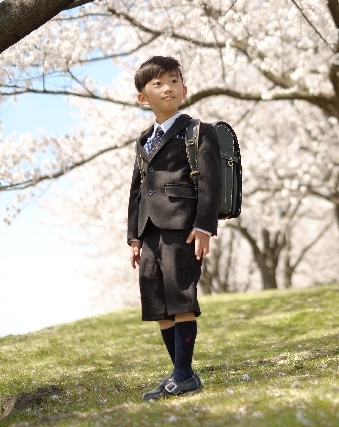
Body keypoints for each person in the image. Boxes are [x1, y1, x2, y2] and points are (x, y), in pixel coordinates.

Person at [126, 56, 221, 401]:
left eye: (173, 81)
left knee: (180, 294)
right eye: (157, 84)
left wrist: (204, 227)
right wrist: (134, 236)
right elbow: (137, 188)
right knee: (157, 301)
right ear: (142, 98)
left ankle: (182, 374)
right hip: (149, 229)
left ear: (185, 89)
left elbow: (210, 181)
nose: (167, 88)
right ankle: (181, 373)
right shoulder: (143, 140)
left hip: (182, 225)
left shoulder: (198, 131)